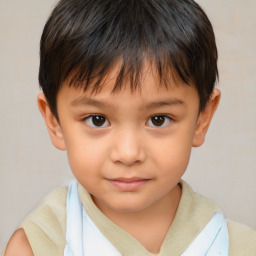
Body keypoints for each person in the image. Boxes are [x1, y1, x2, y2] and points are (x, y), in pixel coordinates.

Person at [3, 0, 256, 255]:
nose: (128, 153)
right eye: (97, 120)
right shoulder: (38, 246)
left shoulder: (235, 245)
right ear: (54, 121)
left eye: (158, 119)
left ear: (203, 118)